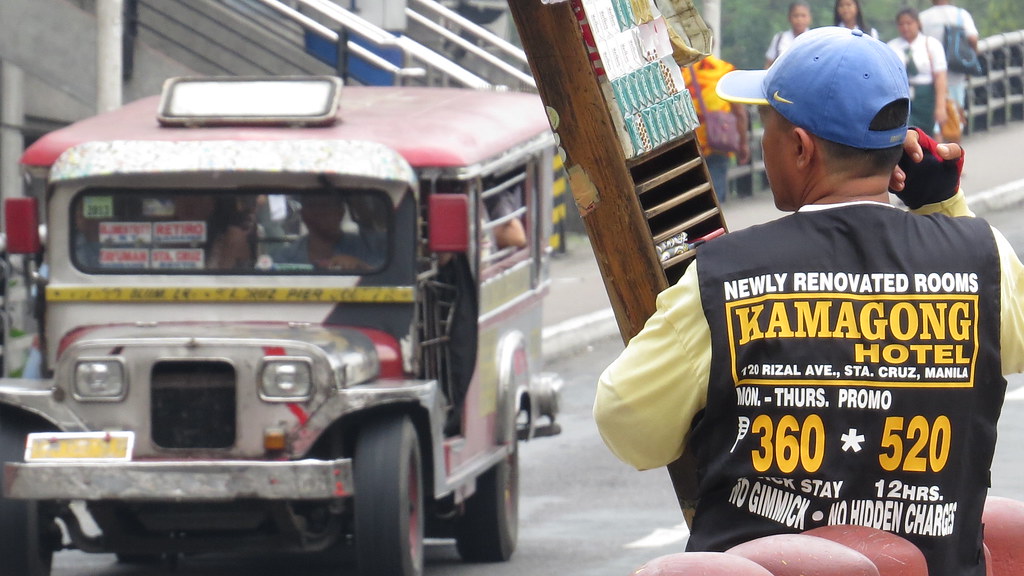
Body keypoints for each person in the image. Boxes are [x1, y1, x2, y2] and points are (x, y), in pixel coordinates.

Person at [594, 26, 1024, 576]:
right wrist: (941, 207)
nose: (761, 142)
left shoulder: (722, 277)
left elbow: (626, 424)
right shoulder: (981, 257)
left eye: (767, 126)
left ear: (800, 147)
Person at [683, 55, 751, 203]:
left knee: (692, 199)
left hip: (690, 145)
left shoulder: (681, 72)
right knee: (715, 199)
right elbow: (740, 113)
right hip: (720, 142)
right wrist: (743, 143)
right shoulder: (726, 70)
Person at [271, 194, 381, 271]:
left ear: (340, 212)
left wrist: (361, 266)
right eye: (313, 206)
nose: (320, 213)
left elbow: (389, 278)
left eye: (327, 206)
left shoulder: (365, 247)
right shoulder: (285, 257)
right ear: (304, 214)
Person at [888, 7, 948, 139]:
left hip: (925, 95)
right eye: (901, 24)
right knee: (906, 131)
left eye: (909, 23)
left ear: (918, 23)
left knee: (927, 134)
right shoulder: (893, 46)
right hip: (902, 95)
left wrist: (940, 106)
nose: (905, 27)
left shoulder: (931, 44)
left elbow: (940, 76)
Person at [920, 0, 979, 111]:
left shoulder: (923, 17)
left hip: (930, 72)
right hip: (955, 69)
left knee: (932, 111)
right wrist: (972, 57)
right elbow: (973, 38)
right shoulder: (961, 14)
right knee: (955, 112)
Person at [765, 1, 812, 68]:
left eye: (803, 16)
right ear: (789, 18)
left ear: (809, 18)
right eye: (796, 16)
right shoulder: (780, 39)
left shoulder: (814, 39)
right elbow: (768, 64)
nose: (799, 19)